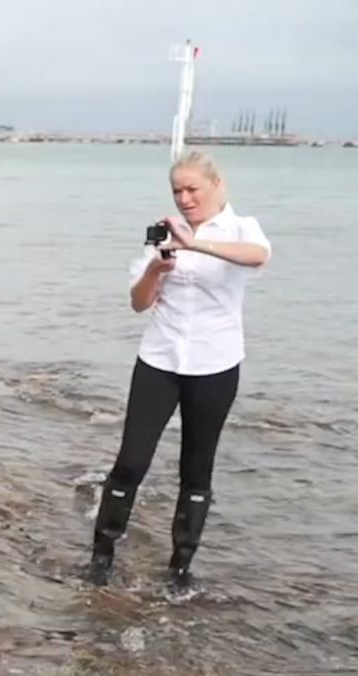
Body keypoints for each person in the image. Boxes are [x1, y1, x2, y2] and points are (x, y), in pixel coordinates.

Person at [88, 150, 271, 590]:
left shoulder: (241, 227)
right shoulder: (161, 236)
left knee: (196, 468)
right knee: (131, 461)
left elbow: (258, 257)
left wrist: (196, 245)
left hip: (215, 364)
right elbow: (138, 303)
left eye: (193, 189)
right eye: (177, 191)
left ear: (216, 186)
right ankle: (100, 558)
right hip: (160, 359)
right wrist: (158, 266)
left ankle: (180, 569)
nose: (185, 199)